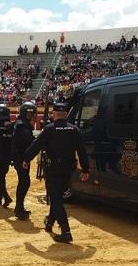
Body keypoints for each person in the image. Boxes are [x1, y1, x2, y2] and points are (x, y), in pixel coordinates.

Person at [23, 102, 89, 243]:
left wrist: (26, 158)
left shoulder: (49, 129)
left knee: (56, 199)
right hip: (69, 168)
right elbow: (82, 151)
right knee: (57, 195)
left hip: (54, 168)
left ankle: (65, 230)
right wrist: (85, 169)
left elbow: (36, 145)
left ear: (54, 114)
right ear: (65, 114)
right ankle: (50, 222)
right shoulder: (74, 129)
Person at [11, 101, 36, 220]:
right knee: (24, 182)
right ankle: (19, 208)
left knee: (24, 182)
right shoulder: (22, 125)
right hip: (21, 158)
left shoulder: (19, 123)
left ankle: (19, 207)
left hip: (19, 157)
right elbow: (28, 141)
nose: (32, 116)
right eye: (30, 113)